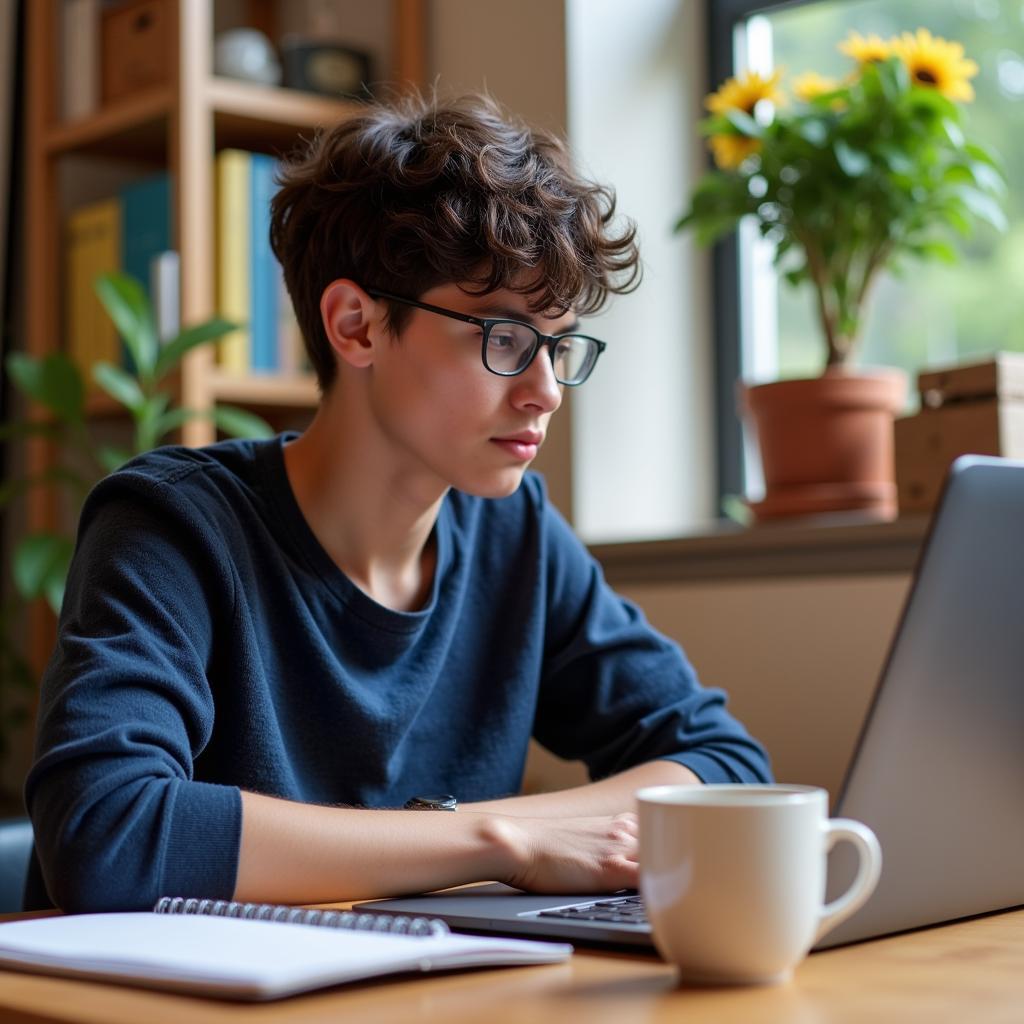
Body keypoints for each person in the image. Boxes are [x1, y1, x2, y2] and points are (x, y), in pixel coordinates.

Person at [24, 92, 771, 913]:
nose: (546, 392)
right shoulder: (172, 528)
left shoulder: (511, 534)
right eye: (506, 339)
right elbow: (108, 835)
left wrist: (499, 833)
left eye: (559, 346)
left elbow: (724, 766)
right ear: (357, 326)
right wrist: (502, 844)